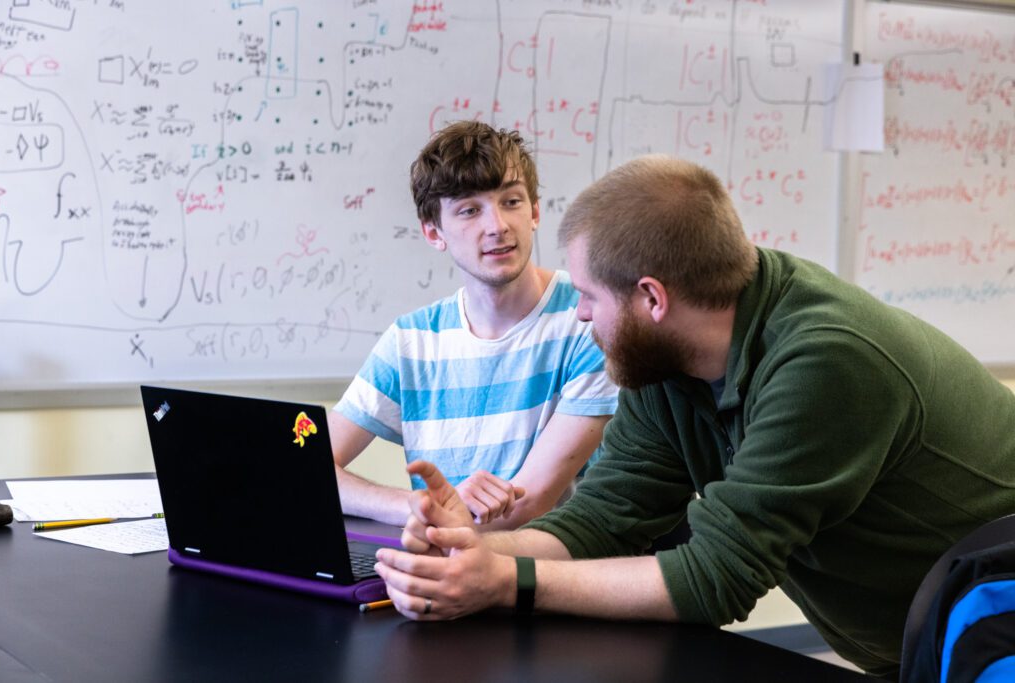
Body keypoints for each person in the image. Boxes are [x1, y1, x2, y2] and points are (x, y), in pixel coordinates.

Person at [372, 155, 1015, 678]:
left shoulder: (827, 361)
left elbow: (717, 576)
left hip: (998, 627)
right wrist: (478, 550)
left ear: (651, 297)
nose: (580, 315)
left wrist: (505, 581)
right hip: (927, 640)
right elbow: (603, 519)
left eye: (590, 296)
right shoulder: (663, 360)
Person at [330, 121, 618, 530]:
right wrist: (418, 506)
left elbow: (528, 502)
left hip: (547, 577)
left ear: (534, 212)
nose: (498, 225)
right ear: (434, 232)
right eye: (469, 210)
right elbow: (305, 462)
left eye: (512, 202)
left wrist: (437, 517)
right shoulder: (411, 342)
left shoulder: (589, 318)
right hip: (441, 565)